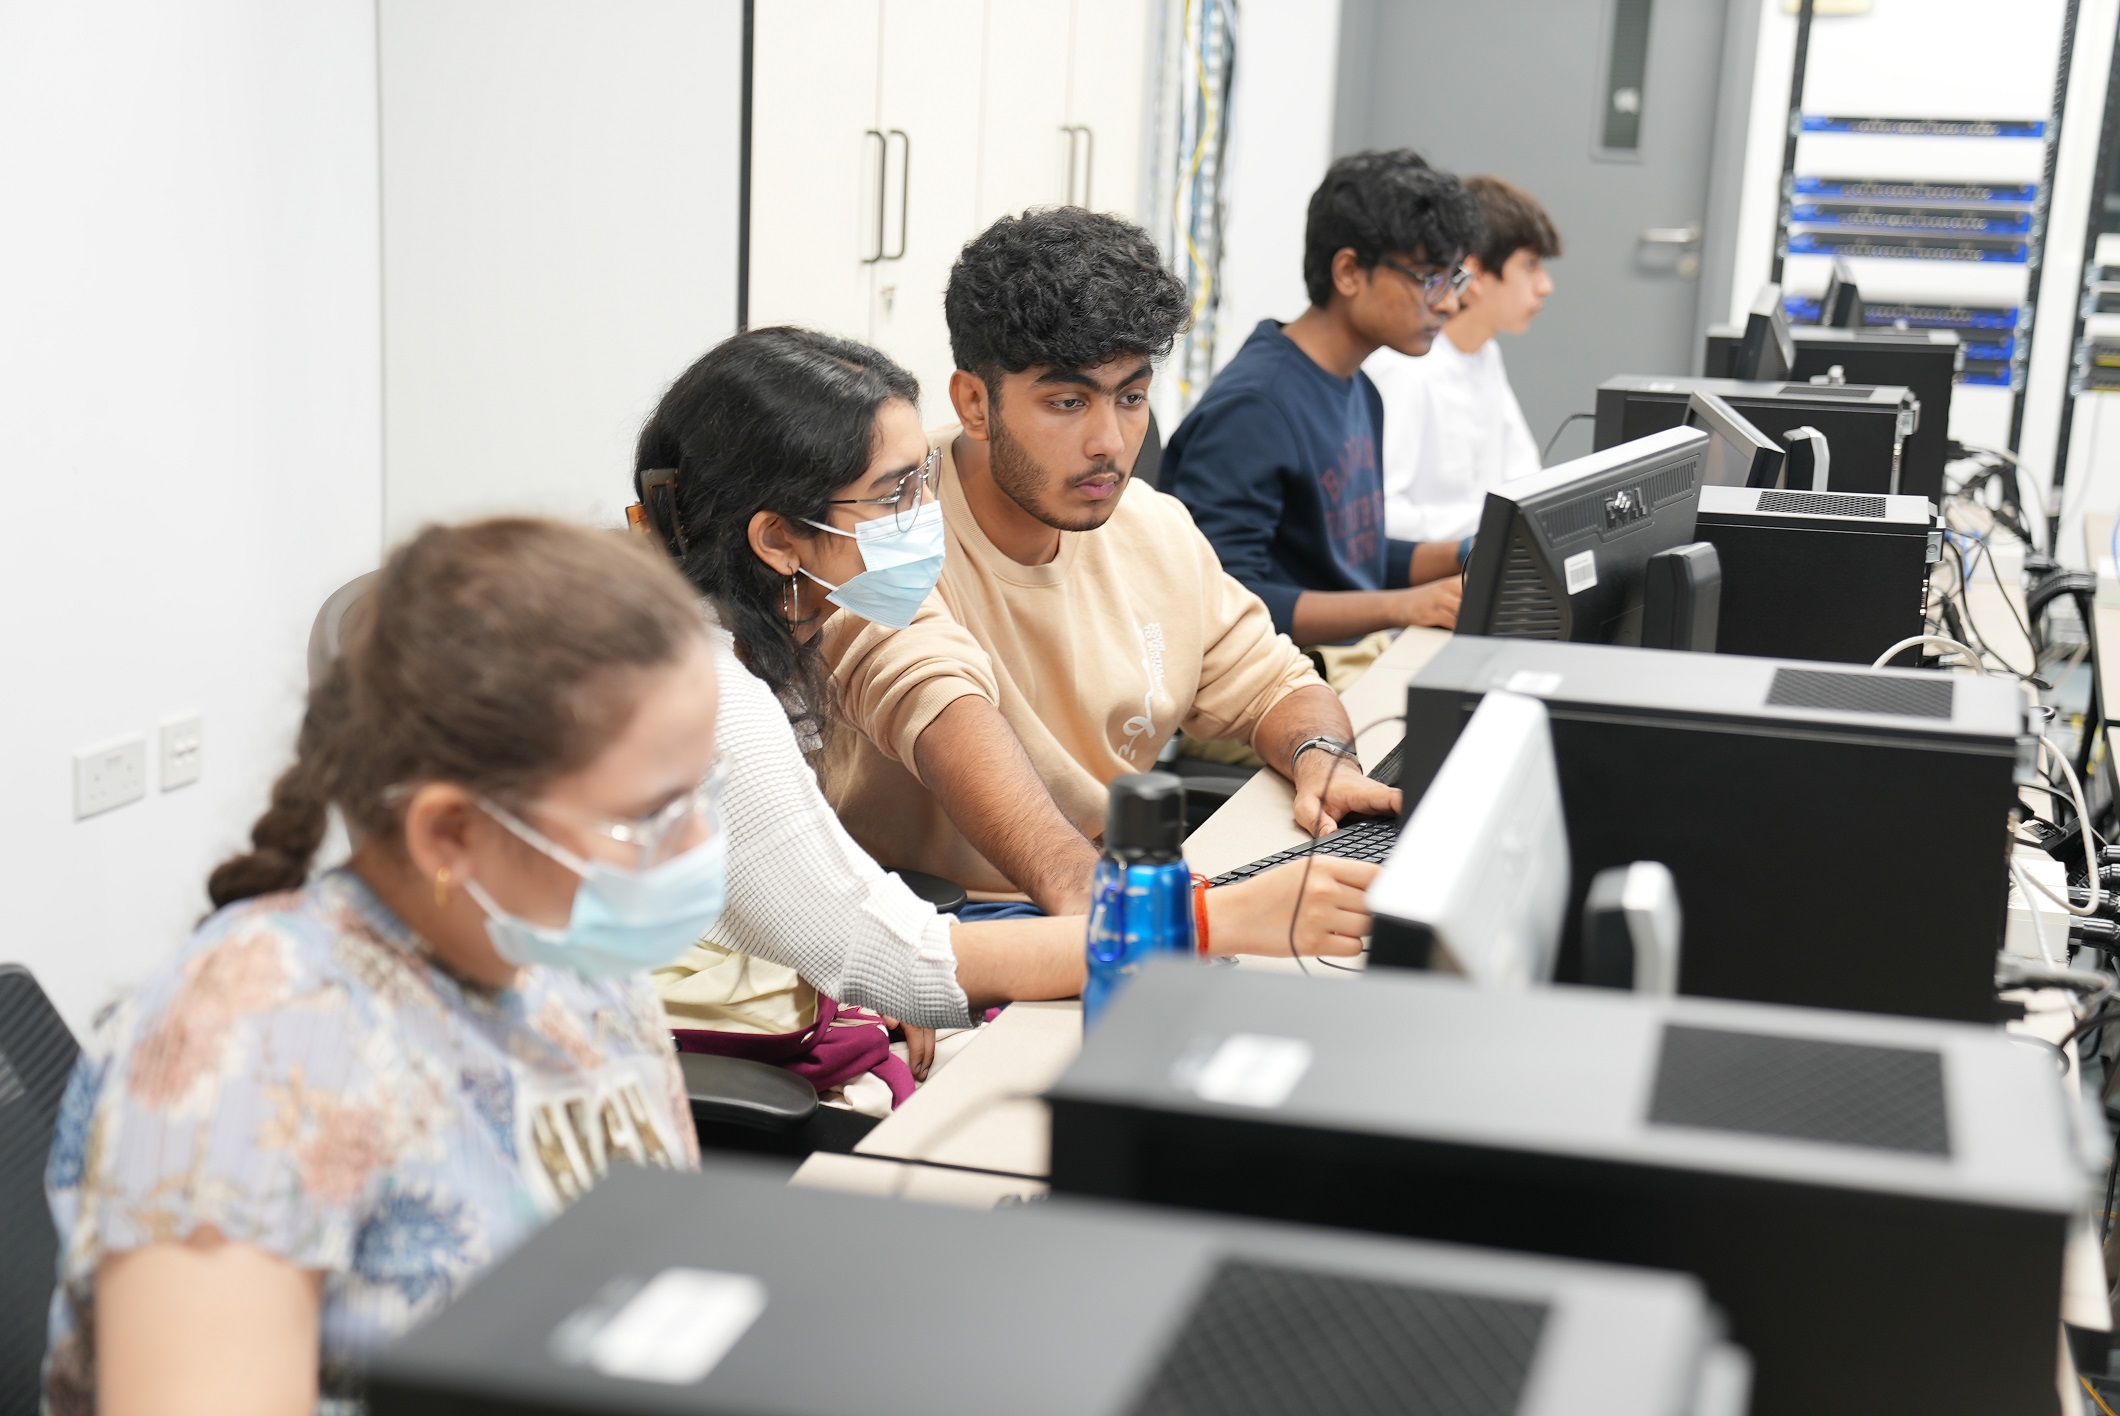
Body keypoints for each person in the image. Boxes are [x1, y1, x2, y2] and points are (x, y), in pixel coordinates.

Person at [44, 519, 719, 1414]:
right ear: (449, 833)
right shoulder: (252, 1041)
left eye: (702, 793)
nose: (700, 844)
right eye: (654, 816)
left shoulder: (577, 970)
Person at [630, 325, 1378, 1068]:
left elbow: (829, 911)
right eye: (894, 494)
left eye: (922, 479)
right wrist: (1207, 920)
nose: (924, 515)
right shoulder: (715, 698)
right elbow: (894, 959)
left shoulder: (773, 620)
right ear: (779, 540)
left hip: (815, 979)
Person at [819, 208, 1397, 925]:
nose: (1109, 443)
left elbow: (1274, 683)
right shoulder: (886, 524)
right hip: (941, 923)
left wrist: (1322, 759)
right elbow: (934, 701)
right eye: (1067, 401)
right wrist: (1124, 906)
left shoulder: (1154, 526)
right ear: (974, 402)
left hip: (1103, 889)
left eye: (1130, 397)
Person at [1161, 150, 1484, 654]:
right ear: (1350, 272)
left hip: (1349, 658)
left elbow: (1352, 559)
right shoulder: (1255, 408)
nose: (1447, 302)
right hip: (1270, 691)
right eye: (1429, 278)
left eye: (1453, 278)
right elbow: (1222, 603)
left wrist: (1462, 555)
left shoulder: (1358, 387)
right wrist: (1405, 605)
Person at [1365, 174, 1561, 545]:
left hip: (1480, 554)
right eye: (1530, 265)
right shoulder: (1406, 368)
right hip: (1425, 574)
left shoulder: (1485, 355)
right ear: (1477, 274)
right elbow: (1380, 514)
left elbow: (1524, 477)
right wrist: (1493, 522)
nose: (1545, 286)